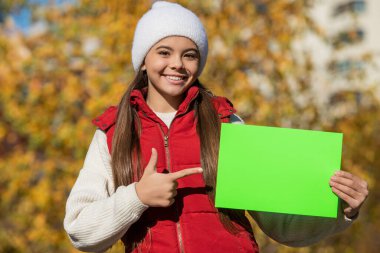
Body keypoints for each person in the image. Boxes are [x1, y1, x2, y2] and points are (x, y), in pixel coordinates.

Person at [63, 1, 369, 252]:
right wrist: (137, 197)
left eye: (190, 55)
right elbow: (81, 232)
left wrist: (343, 209)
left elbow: (282, 226)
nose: (177, 64)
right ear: (144, 60)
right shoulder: (113, 133)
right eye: (164, 52)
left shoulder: (227, 124)